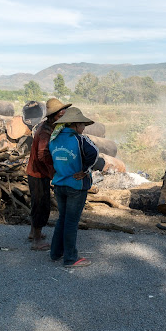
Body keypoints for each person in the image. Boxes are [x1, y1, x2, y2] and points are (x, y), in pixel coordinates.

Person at [48, 107, 99, 267]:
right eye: (82, 125)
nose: (83, 128)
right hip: (75, 186)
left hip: (59, 185)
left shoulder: (54, 139)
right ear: (76, 124)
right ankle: (70, 258)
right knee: (71, 222)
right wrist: (84, 170)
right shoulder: (80, 139)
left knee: (62, 219)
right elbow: (95, 153)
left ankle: (55, 253)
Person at [26, 98, 71, 250]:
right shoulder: (45, 132)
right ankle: (37, 241)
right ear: (52, 116)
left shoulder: (50, 127)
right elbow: (42, 154)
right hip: (38, 173)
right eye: (60, 116)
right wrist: (56, 167)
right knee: (41, 205)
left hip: (37, 172)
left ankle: (33, 232)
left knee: (36, 203)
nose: (62, 119)